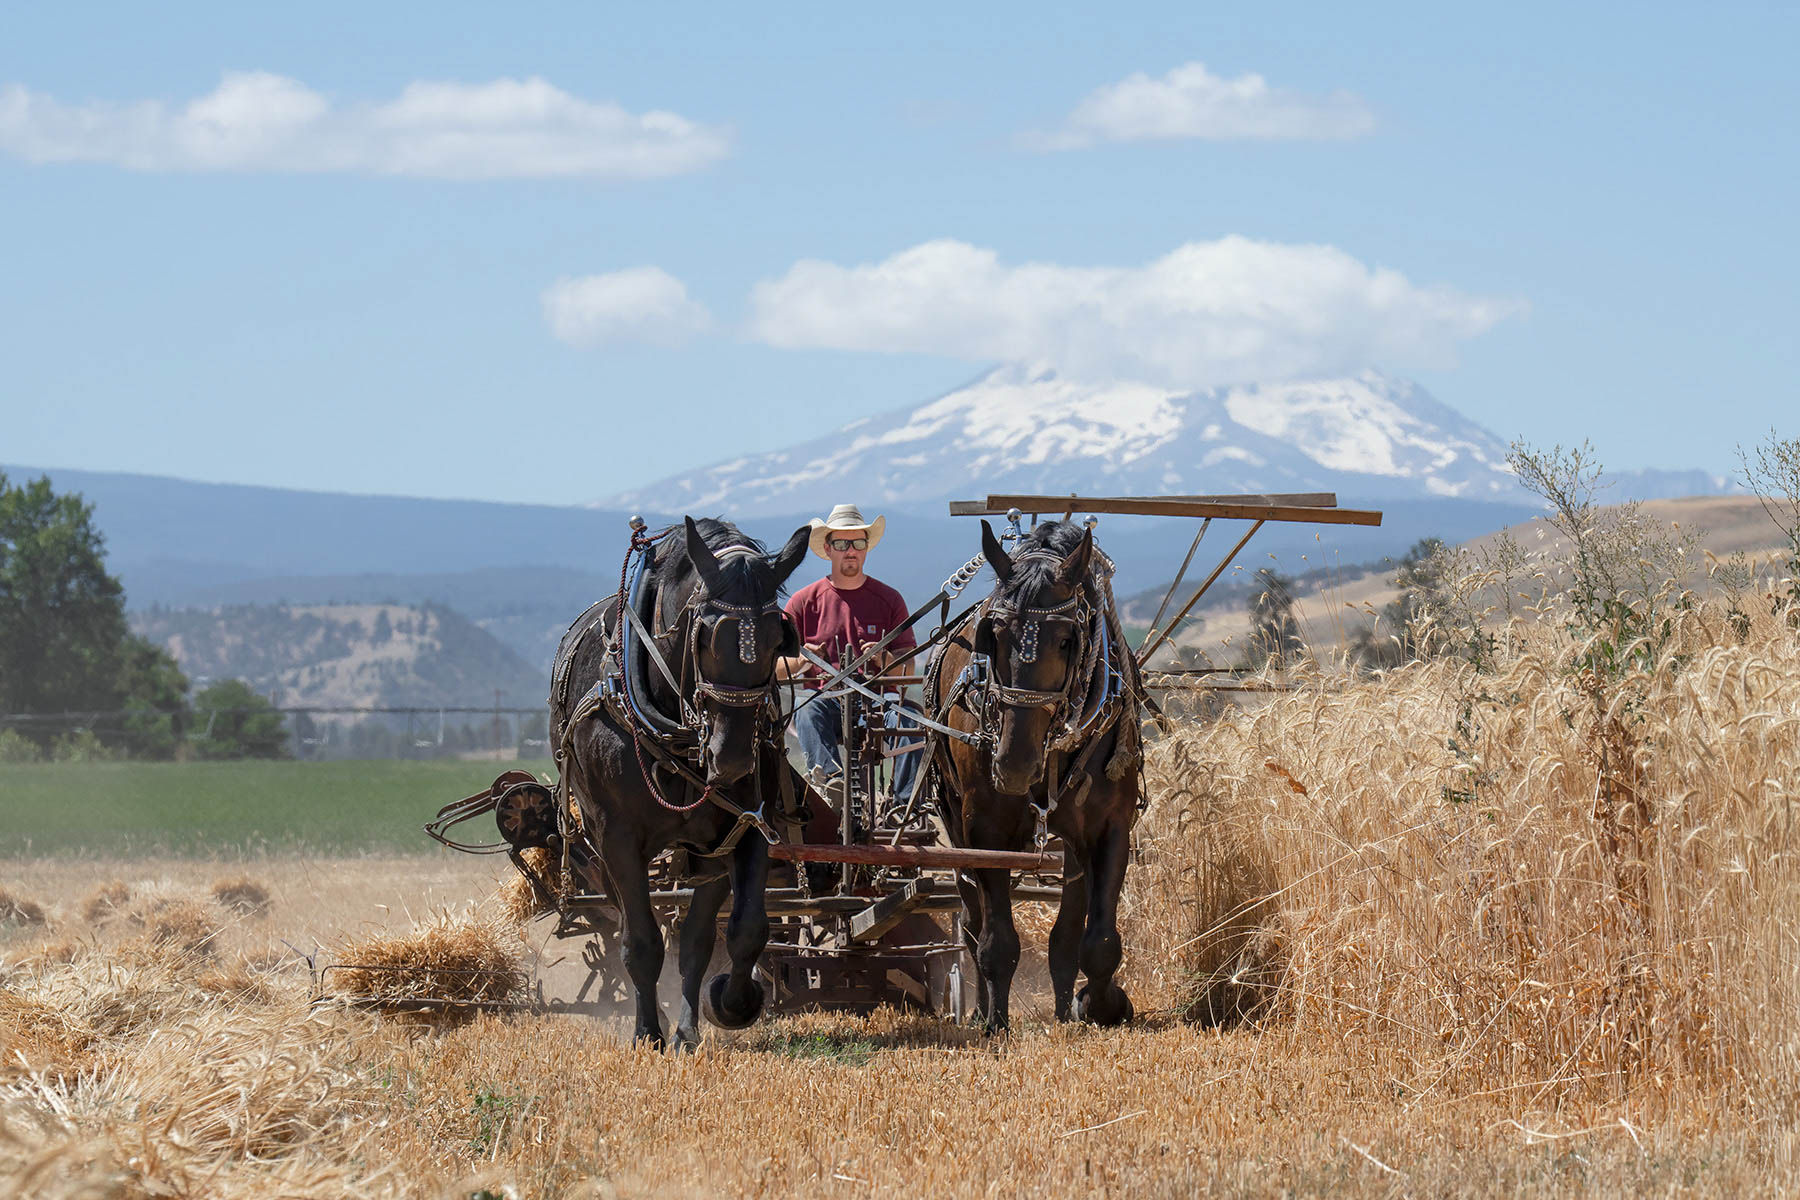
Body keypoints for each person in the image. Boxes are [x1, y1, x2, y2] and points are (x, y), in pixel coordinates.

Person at [778, 503, 921, 805]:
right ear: (828, 548)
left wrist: (883, 661)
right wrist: (802, 663)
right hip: (826, 701)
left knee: (912, 718)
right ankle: (833, 784)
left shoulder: (889, 600)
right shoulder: (803, 602)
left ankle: (905, 803)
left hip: (881, 703)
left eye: (858, 543)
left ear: (867, 547)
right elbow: (773, 667)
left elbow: (908, 671)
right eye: (842, 544)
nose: (850, 551)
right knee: (807, 712)